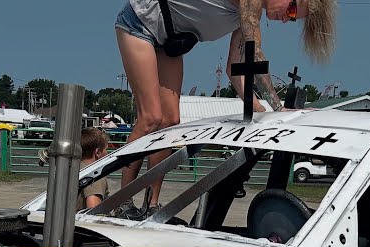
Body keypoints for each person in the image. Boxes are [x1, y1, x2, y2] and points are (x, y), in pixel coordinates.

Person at [114, 0, 337, 217]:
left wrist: (263, 112)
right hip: (140, 22)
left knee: (171, 121)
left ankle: (151, 204)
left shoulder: (250, 16)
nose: (287, 19)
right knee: (151, 118)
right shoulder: (249, 3)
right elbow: (255, 54)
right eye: (292, 9)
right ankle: (121, 203)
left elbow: (236, 69)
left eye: (293, 18)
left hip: (170, 40)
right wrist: (277, 108)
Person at [78, 128, 112, 210]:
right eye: (106, 149)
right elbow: (93, 211)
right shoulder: (95, 175)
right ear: (97, 152)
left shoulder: (73, 169)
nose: (107, 153)